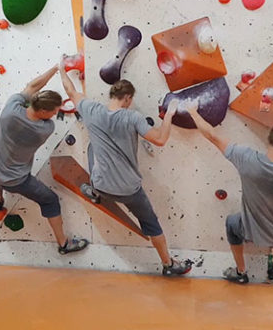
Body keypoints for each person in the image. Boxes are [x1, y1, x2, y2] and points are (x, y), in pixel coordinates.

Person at [59, 64, 192, 276]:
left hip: (102, 186)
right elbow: (160, 139)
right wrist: (169, 115)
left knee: (93, 146)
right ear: (128, 98)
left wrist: (61, 68)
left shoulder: (91, 110)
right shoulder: (133, 117)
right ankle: (168, 264)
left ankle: (93, 192)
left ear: (111, 95)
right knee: (151, 224)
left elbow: (70, 91)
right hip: (129, 190)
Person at [188, 102, 273, 285]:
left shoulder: (246, 158)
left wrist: (192, 112)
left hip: (249, 231)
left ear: (269, 137)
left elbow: (213, 136)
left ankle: (241, 271)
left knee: (232, 223)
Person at [0, 66, 89, 255]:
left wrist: (55, 68)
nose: (54, 115)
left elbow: (33, 86)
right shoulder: (44, 129)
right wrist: (61, 71)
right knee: (50, 200)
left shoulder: (10, 110)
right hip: (14, 180)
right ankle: (63, 243)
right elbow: (36, 91)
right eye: (53, 112)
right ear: (42, 111)